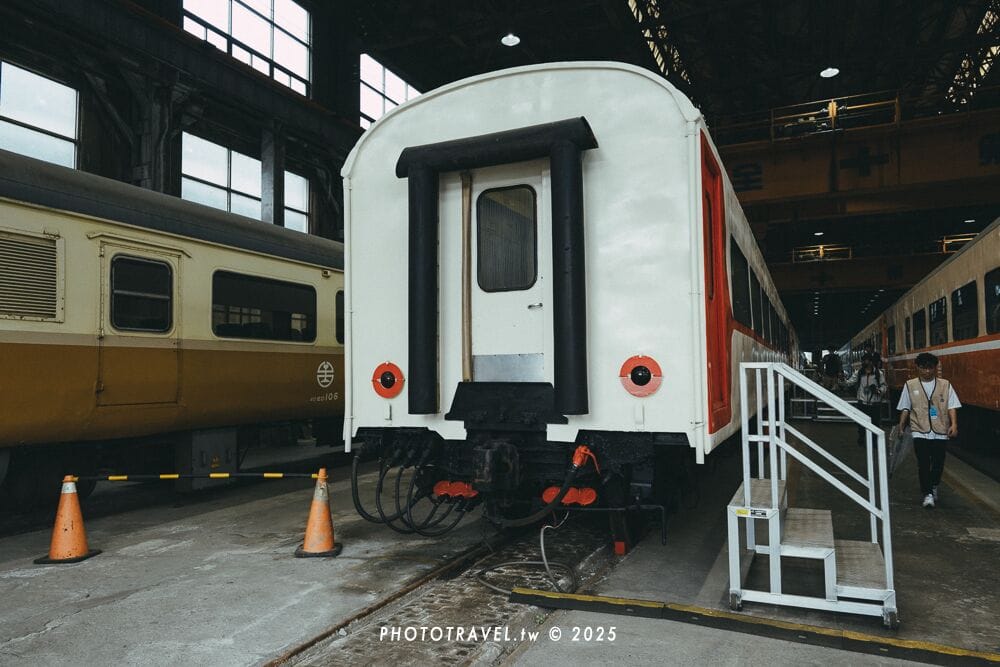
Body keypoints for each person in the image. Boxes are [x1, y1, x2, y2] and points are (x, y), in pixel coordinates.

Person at [896, 352, 961, 508]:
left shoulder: (946, 385)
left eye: (930, 368)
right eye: (923, 368)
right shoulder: (910, 385)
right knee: (923, 462)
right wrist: (901, 425)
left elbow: (952, 406)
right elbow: (905, 407)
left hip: (940, 429)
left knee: (938, 462)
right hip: (919, 429)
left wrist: (954, 424)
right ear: (917, 367)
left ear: (935, 368)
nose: (927, 371)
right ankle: (928, 494)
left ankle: (934, 485)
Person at [847, 354, 886, 446]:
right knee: (861, 423)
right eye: (863, 361)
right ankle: (861, 437)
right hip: (862, 403)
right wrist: (841, 380)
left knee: (875, 423)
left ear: (871, 362)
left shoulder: (878, 373)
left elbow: (884, 386)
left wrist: (879, 391)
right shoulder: (859, 373)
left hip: (874, 403)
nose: (864, 363)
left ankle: (874, 441)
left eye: (866, 361)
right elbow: (849, 382)